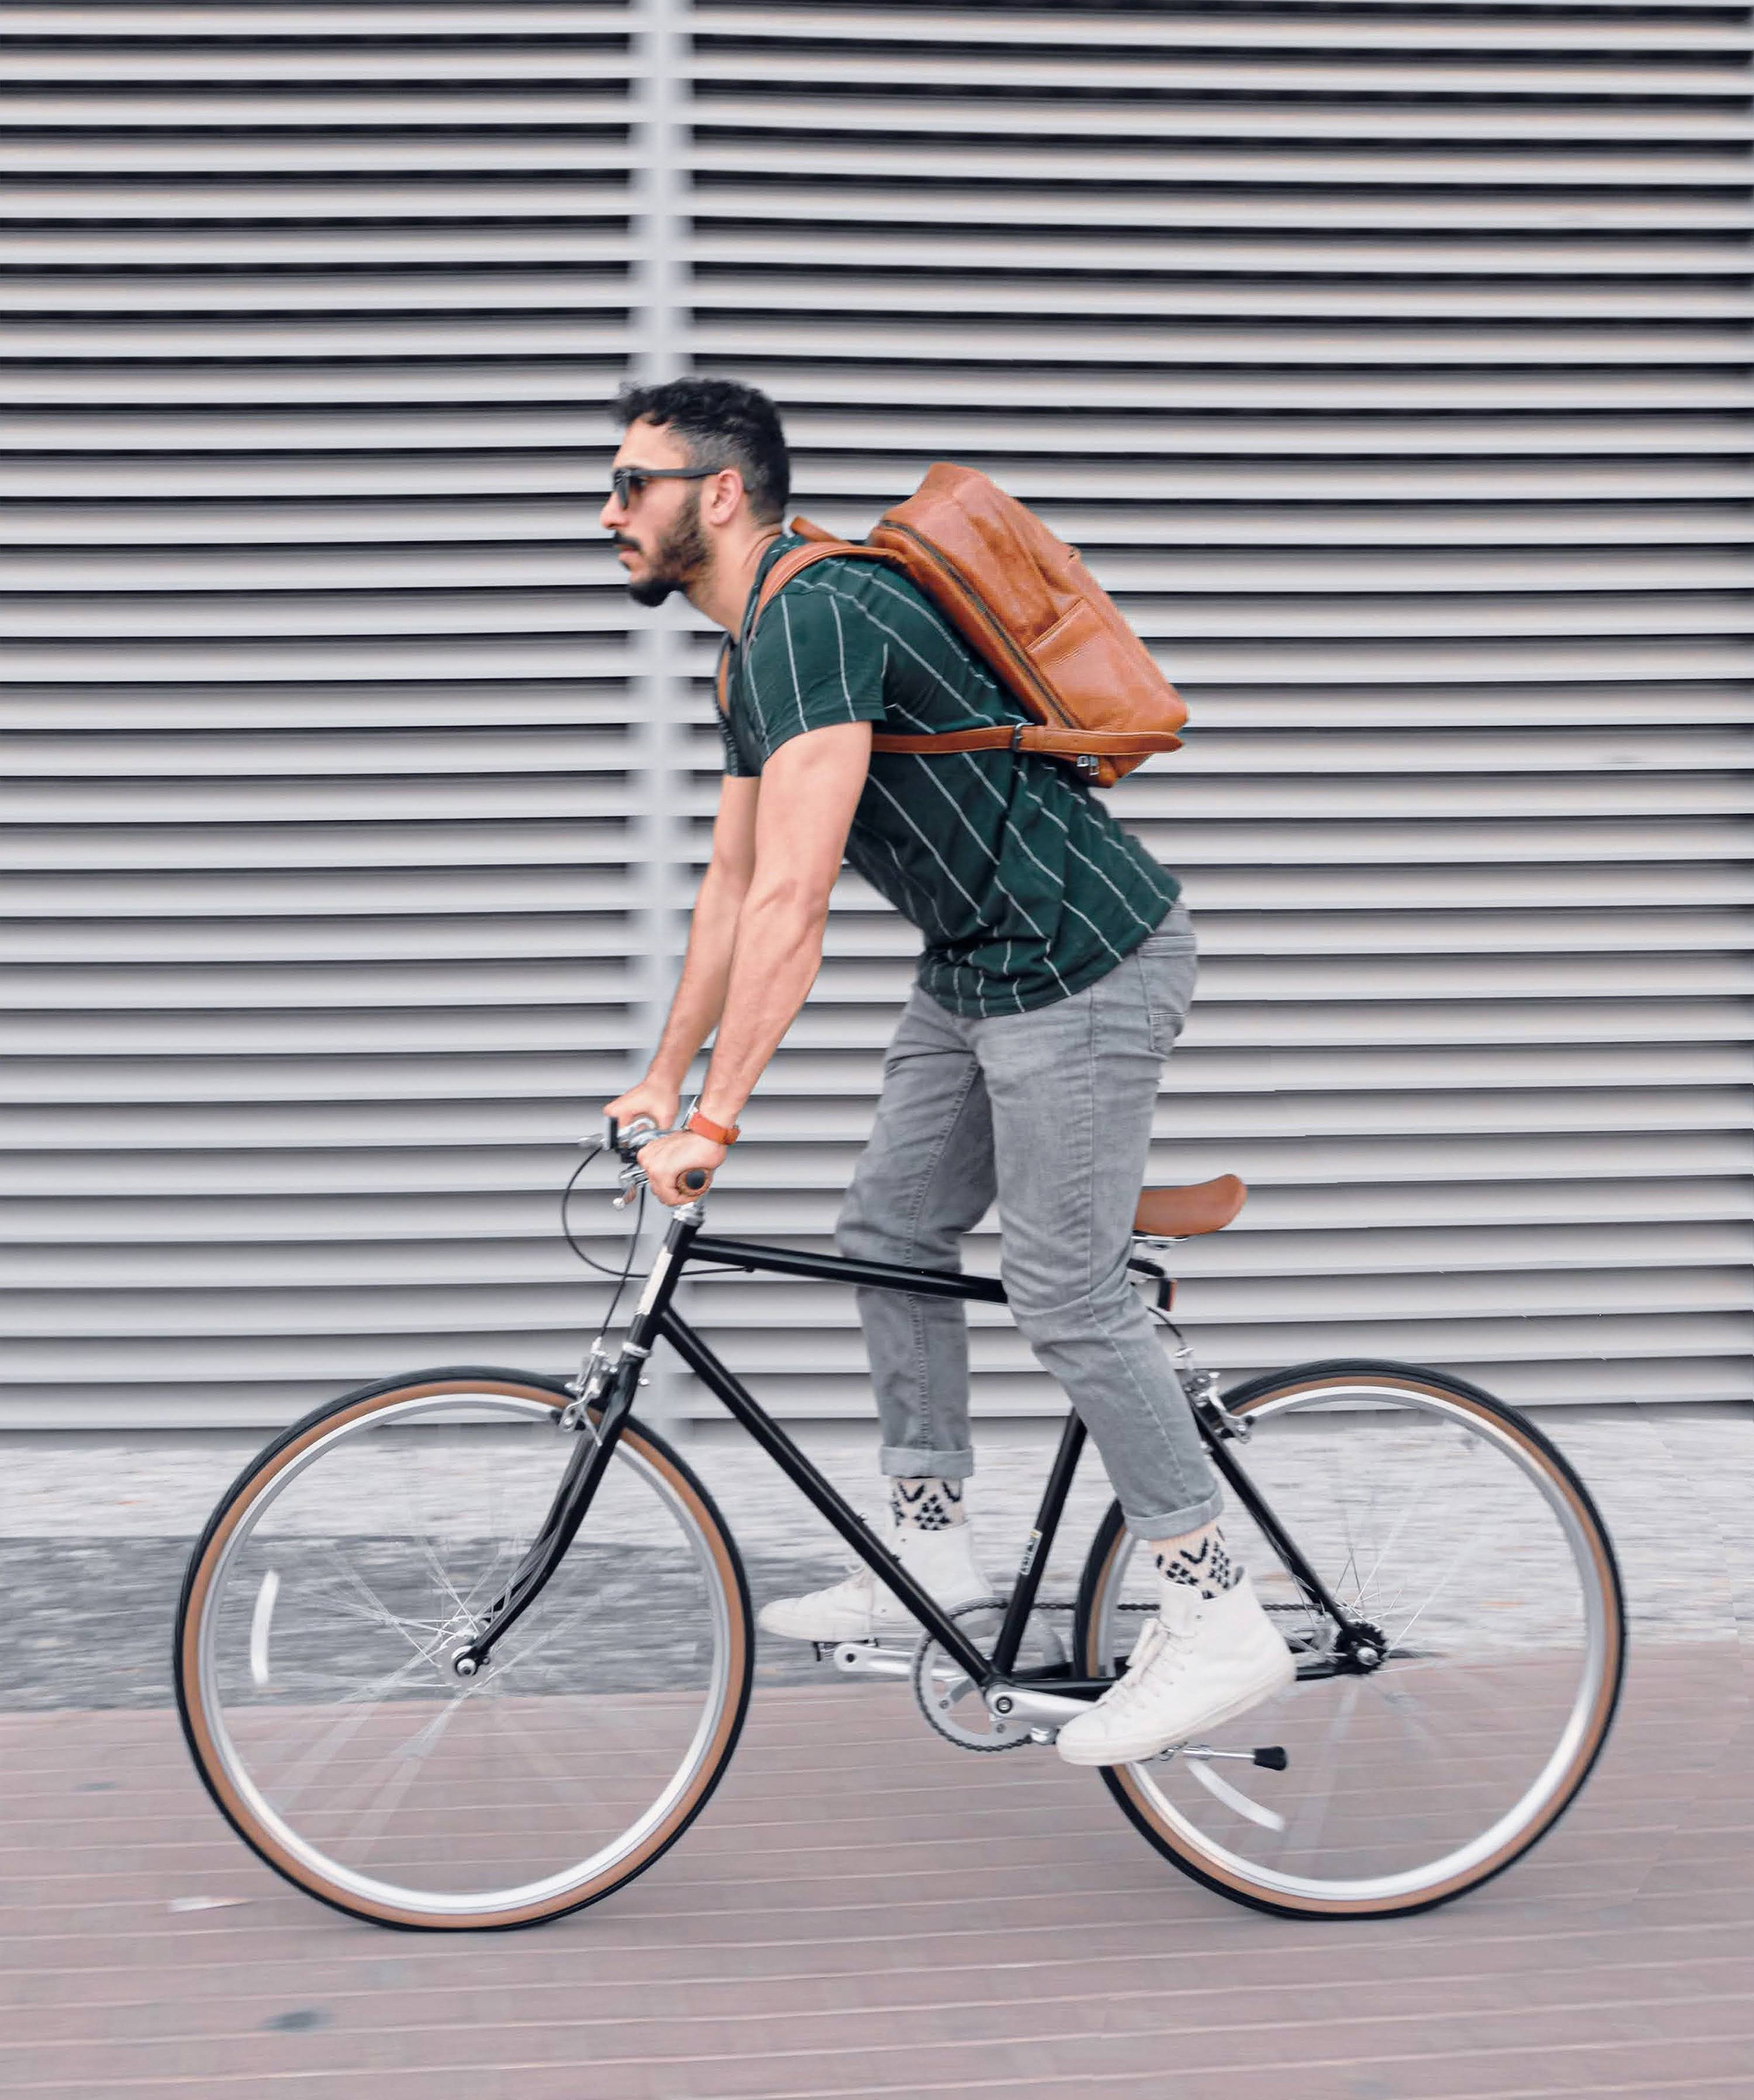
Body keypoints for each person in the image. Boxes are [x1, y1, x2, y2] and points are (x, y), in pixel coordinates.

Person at [599, 376, 1292, 1766]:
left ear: (716, 495)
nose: (608, 510)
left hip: (1084, 961)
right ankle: (932, 1550)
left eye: (633, 484)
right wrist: (659, 1078)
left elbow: (795, 898)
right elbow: (732, 887)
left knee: (1062, 1280)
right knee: (889, 1229)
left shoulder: (819, 613)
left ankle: (1216, 1606)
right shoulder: (754, 648)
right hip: (980, 966)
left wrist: (720, 1118)